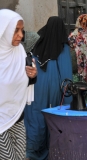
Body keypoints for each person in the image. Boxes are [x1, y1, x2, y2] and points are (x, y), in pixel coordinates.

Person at [24, 16, 73, 160]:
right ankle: (50, 152)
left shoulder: (38, 42)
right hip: (53, 90)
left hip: (37, 87)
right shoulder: (62, 47)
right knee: (52, 118)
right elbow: (66, 75)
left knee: (37, 117)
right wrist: (69, 99)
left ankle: (34, 152)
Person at [0, 9, 37, 160]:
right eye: (16, 30)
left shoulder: (20, 51)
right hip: (1, 120)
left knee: (20, 157)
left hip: (17, 116)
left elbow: (24, 81)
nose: (20, 36)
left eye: (22, 30)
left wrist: (33, 75)